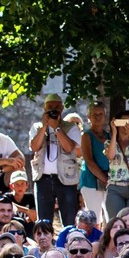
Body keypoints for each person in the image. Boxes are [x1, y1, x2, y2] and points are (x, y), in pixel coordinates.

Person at [29, 93, 82, 228]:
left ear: (62, 108)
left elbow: (69, 147)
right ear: (44, 108)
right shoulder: (37, 127)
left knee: (69, 220)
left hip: (66, 178)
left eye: (56, 107)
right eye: (50, 107)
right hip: (43, 178)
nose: (53, 110)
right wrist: (45, 127)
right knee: (43, 222)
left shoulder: (70, 127)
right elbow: (34, 146)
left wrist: (57, 128)